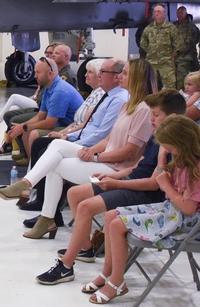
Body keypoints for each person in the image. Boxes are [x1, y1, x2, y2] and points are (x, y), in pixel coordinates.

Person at [0, 59, 158, 240]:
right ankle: (35, 199)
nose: (121, 76)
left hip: (116, 167)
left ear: (137, 78)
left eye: (125, 73)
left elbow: (130, 152)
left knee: (54, 164)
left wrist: (96, 157)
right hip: (106, 157)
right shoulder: (127, 105)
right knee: (55, 147)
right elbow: (107, 138)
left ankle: (40, 207)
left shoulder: (143, 109)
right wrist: (91, 151)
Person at [35, 89, 185, 286]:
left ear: (172, 117)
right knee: (74, 193)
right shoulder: (158, 136)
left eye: (156, 115)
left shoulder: (171, 144)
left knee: (86, 207)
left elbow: (152, 183)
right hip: (129, 181)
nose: (151, 119)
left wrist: (115, 183)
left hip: (144, 193)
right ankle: (85, 248)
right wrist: (112, 176)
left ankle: (66, 265)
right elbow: (137, 166)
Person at [84, 116, 200, 304]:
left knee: (117, 226)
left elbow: (188, 208)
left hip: (184, 223)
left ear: (182, 143)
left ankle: (117, 282)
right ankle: (108, 272)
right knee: (110, 216)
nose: (170, 152)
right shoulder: (186, 159)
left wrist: (166, 185)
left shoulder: (199, 169)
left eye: (170, 148)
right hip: (170, 211)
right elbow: (166, 181)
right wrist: (161, 159)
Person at [11, 59, 130, 215]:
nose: (97, 75)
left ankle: (35, 194)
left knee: (49, 148)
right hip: (84, 139)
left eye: (102, 72)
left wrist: (72, 140)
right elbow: (84, 125)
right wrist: (67, 136)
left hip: (95, 149)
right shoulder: (105, 95)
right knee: (43, 144)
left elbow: (102, 135)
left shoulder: (118, 99)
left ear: (116, 76)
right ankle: (42, 204)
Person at [1, 56, 83, 164]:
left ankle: (37, 172)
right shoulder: (48, 88)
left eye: (38, 72)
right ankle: (33, 167)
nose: (35, 76)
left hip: (72, 128)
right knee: (26, 131)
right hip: (62, 124)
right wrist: (22, 126)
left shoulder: (59, 91)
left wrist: (24, 126)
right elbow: (40, 116)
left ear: (50, 74)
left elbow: (49, 123)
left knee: (33, 133)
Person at [0, 44, 57, 138]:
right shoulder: (45, 70)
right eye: (46, 52)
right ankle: (9, 141)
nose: (47, 55)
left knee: (14, 97)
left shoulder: (53, 73)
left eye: (51, 53)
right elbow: (38, 92)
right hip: (38, 102)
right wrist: (31, 98)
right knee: (13, 108)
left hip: (43, 107)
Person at [139, 4, 182, 90]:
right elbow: (143, 42)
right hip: (152, 61)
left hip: (166, 61)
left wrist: (173, 52)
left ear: (164, 12)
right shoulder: (149, 28)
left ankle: (170, 103)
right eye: (155, 11)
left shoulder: (170, 27)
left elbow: (178, 41)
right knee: (150, 85)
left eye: (159, 11)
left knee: (170, 86)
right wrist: (151, 50)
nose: (156, 13)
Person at [174, 6, 200, 88]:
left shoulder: (191, 27)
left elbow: (191, 42)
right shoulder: (173, 26)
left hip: (186, 57)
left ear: (186, 14)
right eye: (178, 13)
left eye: (182, 13)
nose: (180, 15)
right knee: (175, 79)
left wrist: (178, 51)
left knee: (184, 79)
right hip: (174, 58)